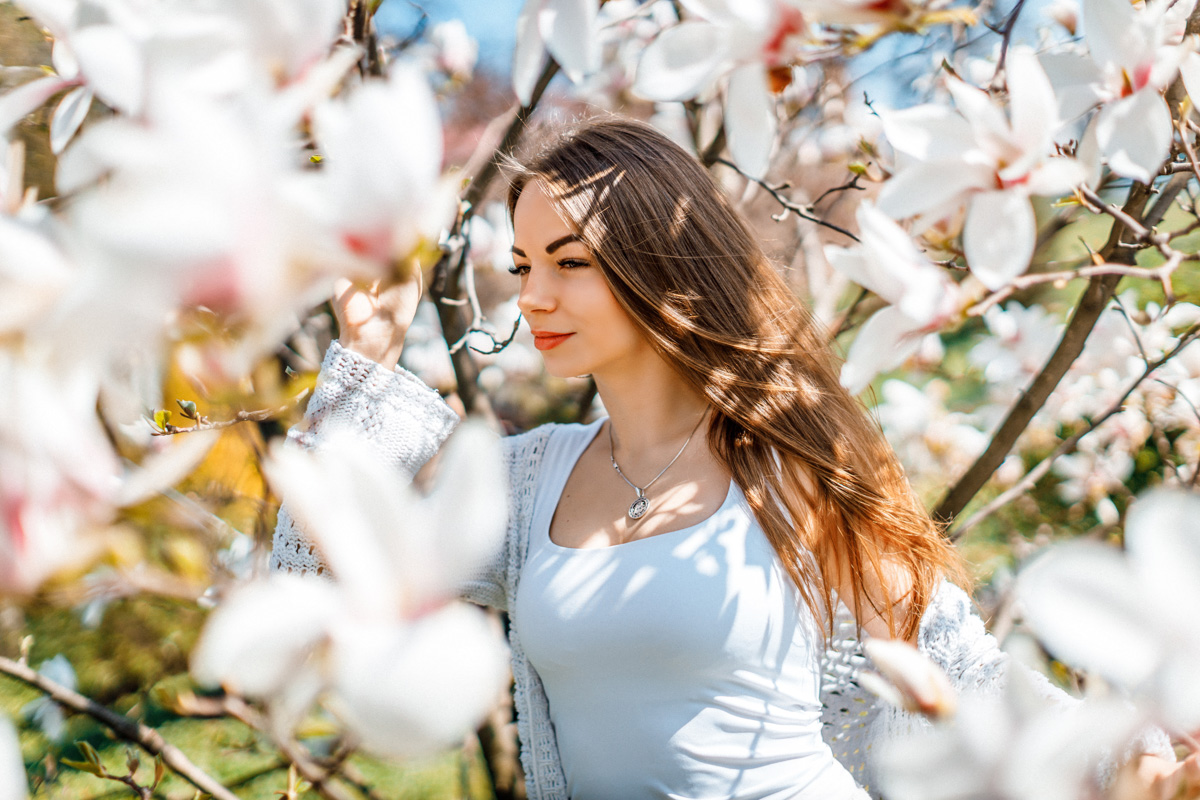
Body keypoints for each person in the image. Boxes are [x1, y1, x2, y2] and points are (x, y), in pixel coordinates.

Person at [269, 117, 1178, 799]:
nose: (534, 293)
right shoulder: (527, 477)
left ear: (660, 263)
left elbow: (960, 674)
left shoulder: (793, 473)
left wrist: (1127, 754)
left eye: (570, 262)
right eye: (522, 263)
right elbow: (315, 572)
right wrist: (369, 357)